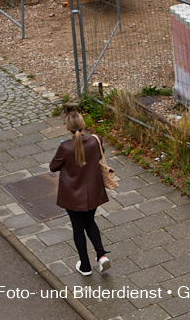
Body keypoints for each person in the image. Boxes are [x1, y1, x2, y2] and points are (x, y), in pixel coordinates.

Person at [49, 111, 111, 277]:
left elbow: (53, 167)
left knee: (78, 228)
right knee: (90, 221)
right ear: (84, 125)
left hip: (72, 196)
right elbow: (99, 155)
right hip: (92, 192)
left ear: (67, 127)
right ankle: (101, 255)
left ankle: (85, 265)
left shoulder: (65, 147)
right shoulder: (95, 141)